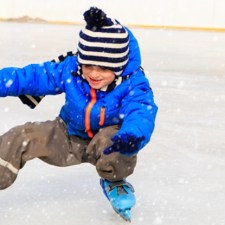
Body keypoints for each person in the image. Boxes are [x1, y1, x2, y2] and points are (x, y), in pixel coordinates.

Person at [0, 7, 158, 221]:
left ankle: (114, 180)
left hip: (107, 143)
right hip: (67, 135)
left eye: (103, 68)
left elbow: (141, 112)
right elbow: (34, 77)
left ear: (118, 66)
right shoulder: (71, 69)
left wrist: (131, 135)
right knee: (22, 136)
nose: (93, 73)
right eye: (88, 65)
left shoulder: (133, 84)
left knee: (116, 142)